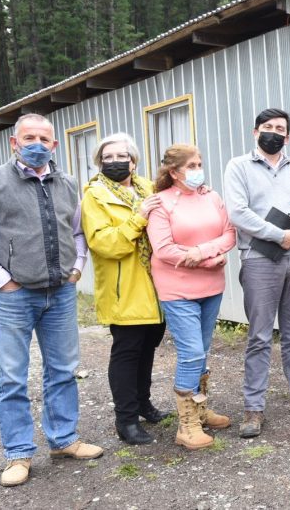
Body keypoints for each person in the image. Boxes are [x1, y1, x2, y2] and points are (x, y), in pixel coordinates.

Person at [0, 113, 102, 487]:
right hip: (14, 297)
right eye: (29, 137)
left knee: (64, 370)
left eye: (44, 138)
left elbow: (78, 232)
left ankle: (64, 439)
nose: (37, 143)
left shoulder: (68, 183)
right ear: (14, 143)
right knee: (11, 378)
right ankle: (18, 453)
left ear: (55, 145)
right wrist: (3, 281)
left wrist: (76, 268)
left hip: (61, 293)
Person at [224, 108, 290, 438]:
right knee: (258, 336)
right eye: (267, 127)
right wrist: (276, 234)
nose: (273, 132)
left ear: (288, 136)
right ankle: (253, 407)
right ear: (255, 132)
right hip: (260, 257)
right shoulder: (238, 166)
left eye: (280, 128)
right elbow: (238, 213)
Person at [81, 133, 169, 446]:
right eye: (109, 157)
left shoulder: (148, 186)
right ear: (99, 162)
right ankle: (126, 419)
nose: (117, 162)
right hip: (125, 288)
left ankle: (143, 404)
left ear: (134, 160)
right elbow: (104, 244)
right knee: (127, 353)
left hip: (156, 285)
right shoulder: (94, 195)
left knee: (148, 349)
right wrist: (138, 218)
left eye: (123, 156)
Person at [147, 144, 237, 449]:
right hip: (177, 289)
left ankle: (199, 410)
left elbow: (229, 234)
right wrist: (208, 258)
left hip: (211, 287)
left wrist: (203, 252)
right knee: (191, 353)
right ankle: (186, 426)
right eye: (192, 165)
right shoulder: (160, 204)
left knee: (203, 348)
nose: (198, 169)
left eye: (200, 163)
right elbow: (164, 249)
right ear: (174, 172)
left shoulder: (211, 197)